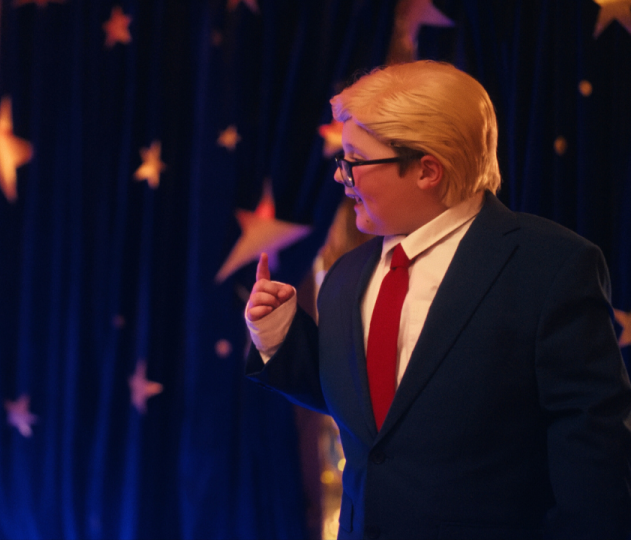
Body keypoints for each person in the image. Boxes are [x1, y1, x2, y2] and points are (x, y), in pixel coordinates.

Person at [245, 61, 631, 539]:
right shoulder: (345, 276)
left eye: (355, 161)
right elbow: (379, 421)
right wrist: (280, 339)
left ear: (427, 170)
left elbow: (594, 462)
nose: (342, 177)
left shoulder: (551, 266)